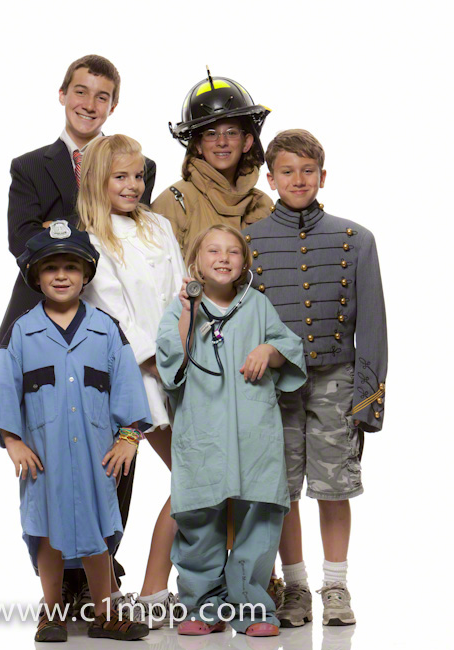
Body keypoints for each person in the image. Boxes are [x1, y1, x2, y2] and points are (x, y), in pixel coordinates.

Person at [0, 53, 156, 600]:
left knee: (115, 451)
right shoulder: (30, 166)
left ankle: (101, 569)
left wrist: (58, 225)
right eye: (81, 92)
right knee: (49, 453)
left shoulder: (137, 164)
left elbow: (132, 233)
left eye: (102, 96)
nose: (90, 104)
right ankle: (59, 581)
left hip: (112, 327)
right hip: (45, 325)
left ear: (114, 104)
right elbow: (23, 241)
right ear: (62, 94)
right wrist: (68, 239)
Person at [0, 222, 152, 642]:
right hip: (44, 459)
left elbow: (127, 386)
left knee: (99, 533)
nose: (61, 275)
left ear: (86, 274)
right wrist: (13, 441)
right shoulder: (22, 332)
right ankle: (51, 613)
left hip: (97, 457)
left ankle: (105, 614)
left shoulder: (106, 330)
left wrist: (128, 437)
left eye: (71, 267)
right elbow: (2, 391)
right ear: (35, 277)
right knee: (46, 533)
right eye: (51, 268)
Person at [244, 129, 388, 627]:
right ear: (271, 178)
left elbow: (373, 328)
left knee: (333, 488)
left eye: (308, 171)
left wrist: (368, 402)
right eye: (287, 171)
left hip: (336, 382)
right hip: (273, 387)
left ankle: (336, 585)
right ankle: (296, 587)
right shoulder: (249, 242)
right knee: (281, 490)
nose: (298, 180)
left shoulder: (356, 239)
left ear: (323, 176)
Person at [156, 224, 307, 636]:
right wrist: (188, 312)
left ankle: (252, 608)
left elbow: (290, 349)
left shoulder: (258, 305)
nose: (223, 258)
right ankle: (200, 606)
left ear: (244, 263)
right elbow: (170, 365)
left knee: (259, 519)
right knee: (199, 519)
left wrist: (268, 350)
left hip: (254, 433)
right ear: (195, 262)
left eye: (233, 252)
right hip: (202, 433)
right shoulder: (180, 308)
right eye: (213, 250)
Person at [78, 134, 186, 626]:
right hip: (132, 378)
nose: (133, 185)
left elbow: (184, 292)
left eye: (138, 175)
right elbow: (114, 314)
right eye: (120, 176)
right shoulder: (90, 239)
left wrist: (186, 354)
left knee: (196, 477)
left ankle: (155, 589)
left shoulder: (159, 225)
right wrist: (160, 362)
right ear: (97, 181)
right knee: (106, 488)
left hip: (182, 366)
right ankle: (108, 593)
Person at [151, 69, 274, 259]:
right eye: (211, 134)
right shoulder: (174, 202)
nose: (221, 142)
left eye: (231, 132)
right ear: (198, 145)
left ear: (247, 142)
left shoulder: (263, 205)